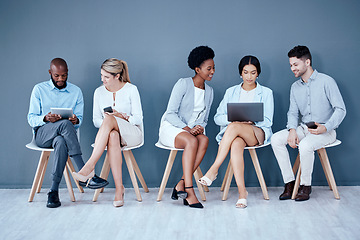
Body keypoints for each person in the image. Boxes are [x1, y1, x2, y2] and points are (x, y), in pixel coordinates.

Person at [27, 58, 108, 208]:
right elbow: (31, 119)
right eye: (57, 75)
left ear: (67, 73)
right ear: (50, 73)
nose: (60, 79)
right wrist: (45, 118)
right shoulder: (39, 89)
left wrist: (75, 121)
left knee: (61, 141)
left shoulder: (76, 91)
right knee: (63, 124)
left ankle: (53, 191)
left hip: (63, 137)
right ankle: (85, 173)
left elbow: (80, 120)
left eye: (64, 75)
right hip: (43, 135)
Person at [271, 45, 346, 201]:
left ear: (307, 62)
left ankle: (306, 186)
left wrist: (326, 127)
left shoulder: (327, 81)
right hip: (304, 128)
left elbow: (340, 109)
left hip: (326, 131)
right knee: (276, 139)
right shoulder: (295, 87)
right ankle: (290, 183)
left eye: (295, 64)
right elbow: (292, 112)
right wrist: (292, 130)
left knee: (305, 146)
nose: (292, 68)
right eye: (291, 65)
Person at [199, 55, 274, 208]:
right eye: (246, 72)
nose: (249, 76)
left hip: (257, 132)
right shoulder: (231, 92)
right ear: (240, 73)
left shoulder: (266, 92)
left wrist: (250, 121)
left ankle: (214, 169)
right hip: (236, 135)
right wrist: (235, 121)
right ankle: (242, 193)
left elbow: (268, 120)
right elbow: (217, 118)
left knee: (234, 127)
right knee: (236, 143)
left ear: (258, 73)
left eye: (253, 72)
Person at [73, 58, 143, 207]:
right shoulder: (98, 92)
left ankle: (89, 167)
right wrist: (109, 122)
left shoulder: (131, 89)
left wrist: (121, 117)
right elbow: (95, 120)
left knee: (110, 121)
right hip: (111, 134)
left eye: (106, 77)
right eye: (101, 75)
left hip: (132, 134)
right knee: (112, 134)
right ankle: (119, 190)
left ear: (117, 76)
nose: (102, 79)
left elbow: (138, 118)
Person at [158, 46, 215, 209]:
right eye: (208, 68)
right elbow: (170, 113)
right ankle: (189, 190)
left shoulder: (210, 92)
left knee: (203, 140)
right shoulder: (183, 84)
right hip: (172, 128)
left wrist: (199, 128)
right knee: (191, 141)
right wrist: (187, 129)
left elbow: (204, 119)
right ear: (197, 69)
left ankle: (181, 184)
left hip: (190, 132)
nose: (212, 71)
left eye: (213, 68)